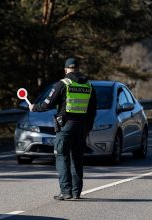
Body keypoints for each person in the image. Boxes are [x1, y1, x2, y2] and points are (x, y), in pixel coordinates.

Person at [30, 58, 96, 200]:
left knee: (62, 156)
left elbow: (47, 104)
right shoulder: (89, 86)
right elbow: (92, 111)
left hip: (66, 126)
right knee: (77, 158)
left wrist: (34, 107)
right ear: (77, 69)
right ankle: (76, 192)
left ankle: (66, 191)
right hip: (81, 127)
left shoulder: (62, 84)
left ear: (65, 70)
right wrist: (88, 128)